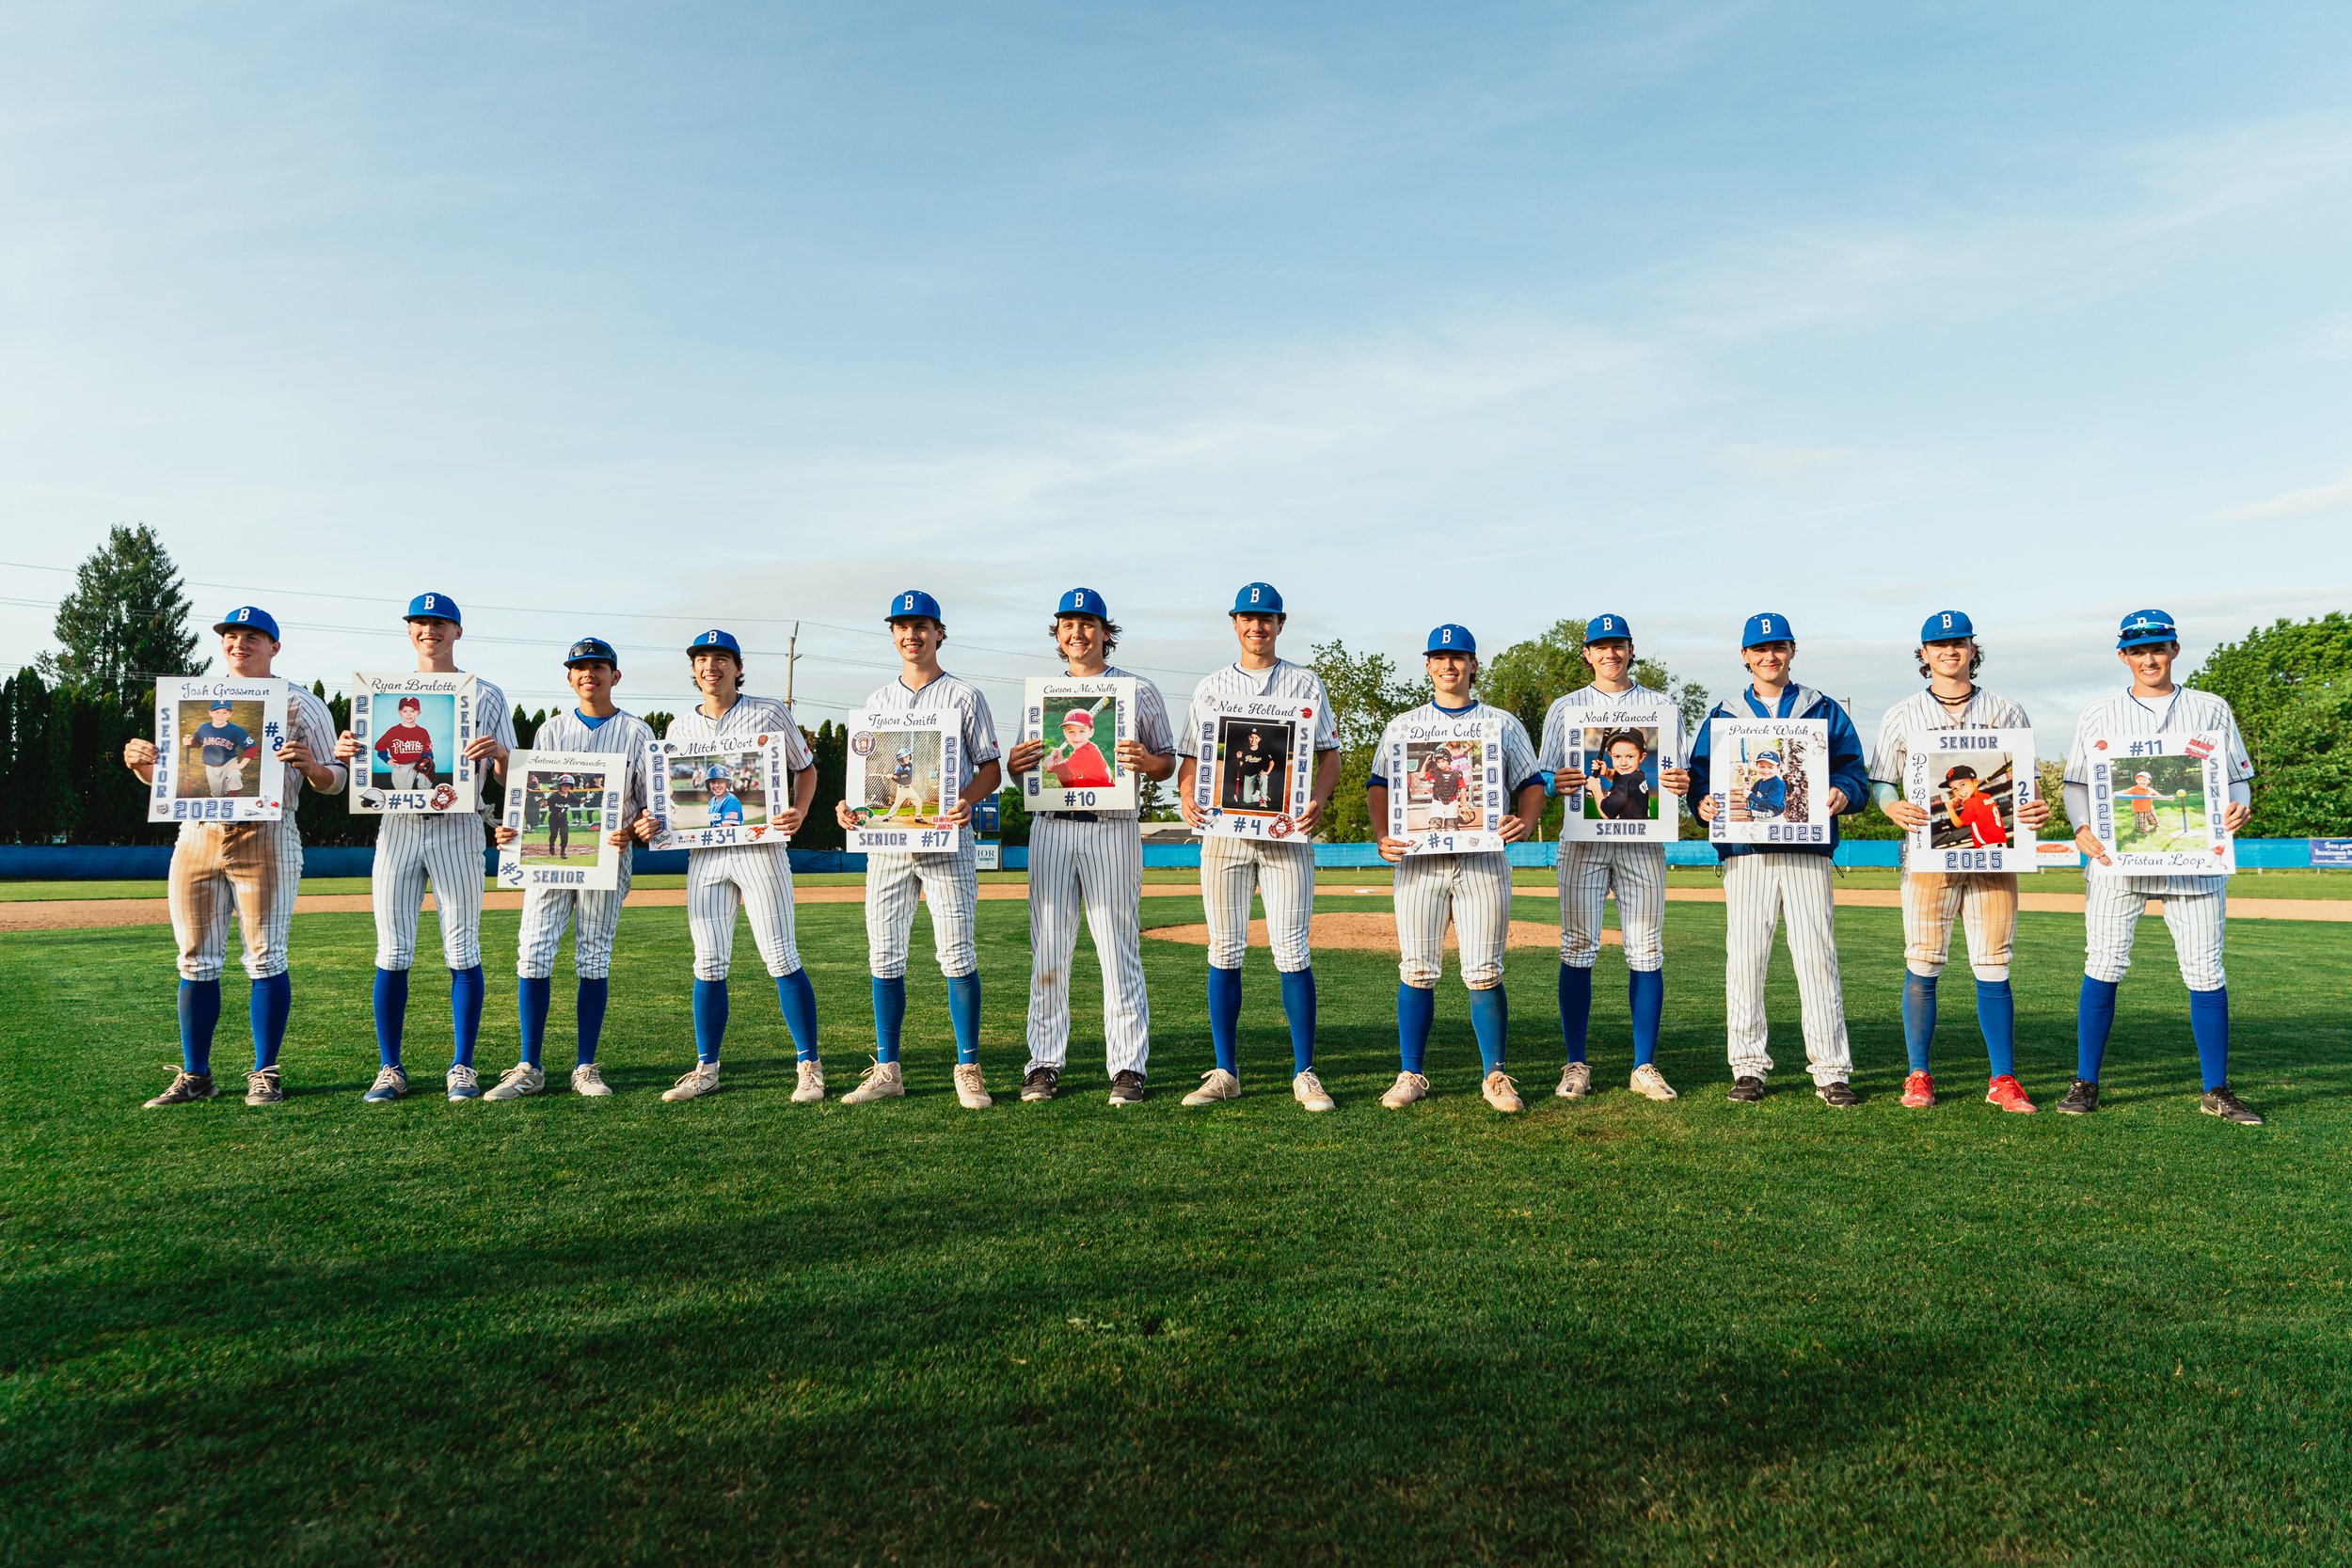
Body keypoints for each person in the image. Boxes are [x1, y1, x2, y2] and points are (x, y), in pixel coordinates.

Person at [129, 606, 345, 1107]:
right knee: (195, 958)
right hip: (198, 833)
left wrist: (313, 767)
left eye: (253, 636)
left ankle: (265, 1071)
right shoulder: (195, 699)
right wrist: (143, 767)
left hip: (267, 835)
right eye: (231, 635)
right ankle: (196, 1075)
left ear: (275, 646)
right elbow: (168, 781)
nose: (239, 643)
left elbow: (336, 782)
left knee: (266, 955)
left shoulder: (301, 704)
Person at [2061, 609, 2260, 1124]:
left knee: (2205, 970)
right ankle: (2086, 1082)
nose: (2148, 658)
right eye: (2137, 649)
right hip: (2114, 859)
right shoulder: (2098, 712)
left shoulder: (2210, 708)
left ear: (2174, 649)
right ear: (2123, 655)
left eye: (2158, 647)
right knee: (2102, 963)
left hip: (2194, 862)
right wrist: (2081, 827)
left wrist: (2241, 803)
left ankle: (2217, 1088)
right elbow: (2078, 784)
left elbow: (2236, 775)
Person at [332, 594, 515, 1103]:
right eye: (420, 622)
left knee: (462, 948)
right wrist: (350, 751)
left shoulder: (488, 694)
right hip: (397, 826)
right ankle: (389, 1067)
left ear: (458, 631)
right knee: (392, 951)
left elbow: (506, 777)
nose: (428, 630)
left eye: (439, 623)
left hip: (458, 826)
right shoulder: (382, 693)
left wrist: (499, 754)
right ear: (409, 630)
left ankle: (462, 1066)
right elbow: (363, 767)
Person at [1867, 610, 2048, 1114]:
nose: (1950, 650)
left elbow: (2025, 786)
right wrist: (1889, 804)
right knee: (1922, 961)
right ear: (1923, 654)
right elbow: (1882, 778)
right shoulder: (1902, 713)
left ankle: (2003, 1079)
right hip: (1928, 857)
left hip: (1996, 857)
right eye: (1938, 643)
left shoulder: (2006, 710)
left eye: (1959, 642)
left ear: (1973, 648)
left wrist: (2034, 806)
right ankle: (1919, 1074)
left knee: (1993, 965)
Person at [632, 628, 823, 1104]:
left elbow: (807, 768)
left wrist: (798, 810)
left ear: (739, 668)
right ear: (693, 670)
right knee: (708, 962)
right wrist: (654, 821)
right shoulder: (678, 729)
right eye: (702, 659)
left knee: (780, 957)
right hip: (705, 858)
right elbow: (669, 804)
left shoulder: (769, 712)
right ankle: (707, 1068)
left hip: (761, 851)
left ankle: (809, 1065)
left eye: (721, 658)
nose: (710, 667)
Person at [1002, 588, 1177, 1105]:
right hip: (1052, 827)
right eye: (1068, 625)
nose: (1077, 634)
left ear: (1106, 632)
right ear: (1057, 634)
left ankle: (1127, 1067)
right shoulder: (1040, 697)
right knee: (1049, 949)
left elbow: (1168, 761)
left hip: (1112, 826)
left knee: (1117, 947)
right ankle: (1043, 1064)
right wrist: (1017, 768)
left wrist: (1148, 763)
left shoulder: (1138, 690)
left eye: (1088, 624)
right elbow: (1024, 778)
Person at [1686, 612, 1867, 1107]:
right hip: (1747, 855)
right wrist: (1700, 804)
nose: (1770, 656)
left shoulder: (1823, 708)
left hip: (1807, 852)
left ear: (1792, 650)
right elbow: (1701, 779)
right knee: (1745, 961)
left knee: (1817, 960)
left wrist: (1843, 792)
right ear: (1744, 656)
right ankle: (1747, 1066)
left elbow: (1855, 772)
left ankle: (1831, 1070)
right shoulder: (1723, 715)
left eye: (1779, 647)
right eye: (1760, 649)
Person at [1176, 582, 1343, 1111]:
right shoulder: (1210, 687)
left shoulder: (1306, 683)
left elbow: (1330, 755)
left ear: (1280, 623)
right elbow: (1190, 760)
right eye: (1248, 617)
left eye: (1266, 618)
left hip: (1284, 838)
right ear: (1234, 622)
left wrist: (1316, 797)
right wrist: (1186, 796)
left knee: (1291, 950)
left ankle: (1304, 1072)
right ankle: (1225, 1070)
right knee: (1224, 950)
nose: (1257, 626)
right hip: (1225, 838)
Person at [834, 591, 1004, 1110]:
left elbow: (992, 770)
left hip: (946, 842)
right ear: (893, 635)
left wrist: (968, 800)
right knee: (884, 956)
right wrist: (851, 811)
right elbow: (873, 782)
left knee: (956, 954)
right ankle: (888, 1068)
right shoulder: (876, 703)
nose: (912, 635)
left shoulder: (965, 697)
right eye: (902, 627)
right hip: (887, 846)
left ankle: (968, 1066)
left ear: (938, 633)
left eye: (921, 626)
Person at [1371, 625, 1548, 1112]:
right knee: (1417, 969)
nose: (1450, 666)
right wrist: (1383, 833)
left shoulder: (1502, 724)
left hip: (1482, 861)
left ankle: (1495, 1075)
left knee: (1484, 971)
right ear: (1427, 665)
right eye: (1440, 658)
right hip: (1419, 863)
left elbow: (1532, 783)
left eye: (1459, 657)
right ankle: (1411, 1072)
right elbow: (1380, 785)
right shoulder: (1404, 725)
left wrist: (1526, 819)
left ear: (1473, 665)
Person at [483, 637, 652, 1100]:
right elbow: (527, 796)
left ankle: (585, 1067)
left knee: (593, 955)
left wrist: (635, 827)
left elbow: (653, 807)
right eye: (579, 667)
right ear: (569, 676)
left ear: (615, 675)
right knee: (533, 953)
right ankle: (529, 1065)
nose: (588, 674)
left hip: (609, 856)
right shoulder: (550, 730)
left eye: (598, 666)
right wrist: (511, 831)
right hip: (549, 859)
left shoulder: (637, 732)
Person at [1536, 614, 1690, 1102]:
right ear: (1586, 652)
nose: (1610, 654)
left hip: (1643, 843)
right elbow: (1541, 776)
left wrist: (1682, 785)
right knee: (1577, 946)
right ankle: (1575, 1063)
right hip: (1583, 840)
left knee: (1646, 950)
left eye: (1617, 645)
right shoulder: (1565, 708)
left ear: (1630, 648)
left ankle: (1643, 1065)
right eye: (1600, 646)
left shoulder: (1661, 707)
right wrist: (1552, 782)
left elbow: (1678, 773)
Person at [187, 699, 255, 797]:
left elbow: (252, 748)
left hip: (228, 762)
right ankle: (224, 790)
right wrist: (189, 742)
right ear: (210, 713)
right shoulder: (204, 728)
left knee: (234, 776)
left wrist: (241, 765)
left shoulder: (236, 730)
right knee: (217, 794)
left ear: (230, 714)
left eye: (224, 713)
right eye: (217, 712)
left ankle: (234, 800)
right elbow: (197, 743)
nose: (220, 715)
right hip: (211, 765)